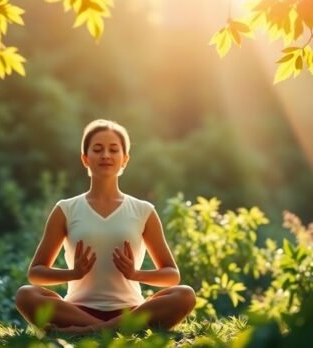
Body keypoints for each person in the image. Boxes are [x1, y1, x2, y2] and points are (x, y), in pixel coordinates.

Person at [15, 119, 196, 333]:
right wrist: (73, 272)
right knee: (26, 294)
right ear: (85, 159)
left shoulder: (143, 210)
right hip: (76, 311)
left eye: (113, 150)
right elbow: (36, 273)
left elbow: (171, 275)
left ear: (125, 159)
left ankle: (88, 332)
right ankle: (113, 330)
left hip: (130, 310)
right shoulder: (66, 209)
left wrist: (135, 274)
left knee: (185, 295)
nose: (106, 156)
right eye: (98, 149)